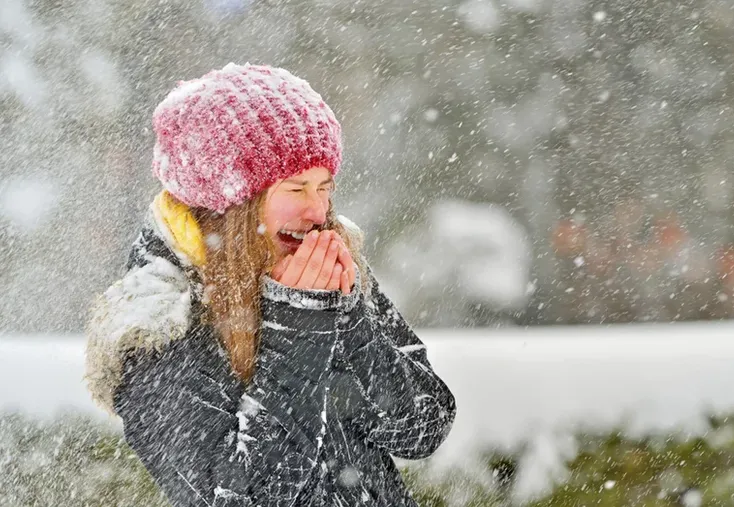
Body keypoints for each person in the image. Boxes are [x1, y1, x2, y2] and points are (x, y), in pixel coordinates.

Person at [83, 63, 456, 507]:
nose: (318, 211)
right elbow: (246, 497)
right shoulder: (155, 323)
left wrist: (350, 318)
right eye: (296, 189)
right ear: (232, 202)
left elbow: (422, 428)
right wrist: (298, 323)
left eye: (325, 186)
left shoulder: (324, 266)